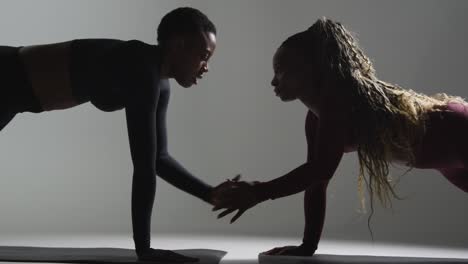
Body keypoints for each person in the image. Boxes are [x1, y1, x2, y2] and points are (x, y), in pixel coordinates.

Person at [212, 18, 468, 257]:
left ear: (311, 70)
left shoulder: (338, 102)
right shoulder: (315, 118)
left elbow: (320, 169)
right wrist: (307, 246)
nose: (273, 81)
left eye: (281, 70)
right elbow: (317, 183)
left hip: (456, 131)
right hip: (445, 159)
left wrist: (259, 192)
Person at [1, 7, 227, 263]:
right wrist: (144, 250)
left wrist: (210, 194)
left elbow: (158, 159)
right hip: (6, 75)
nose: (206, 67)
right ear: (178, 45)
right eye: (203, 56)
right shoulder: (141, 66)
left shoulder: (159, 84)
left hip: (14, 94)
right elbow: (143, 165)